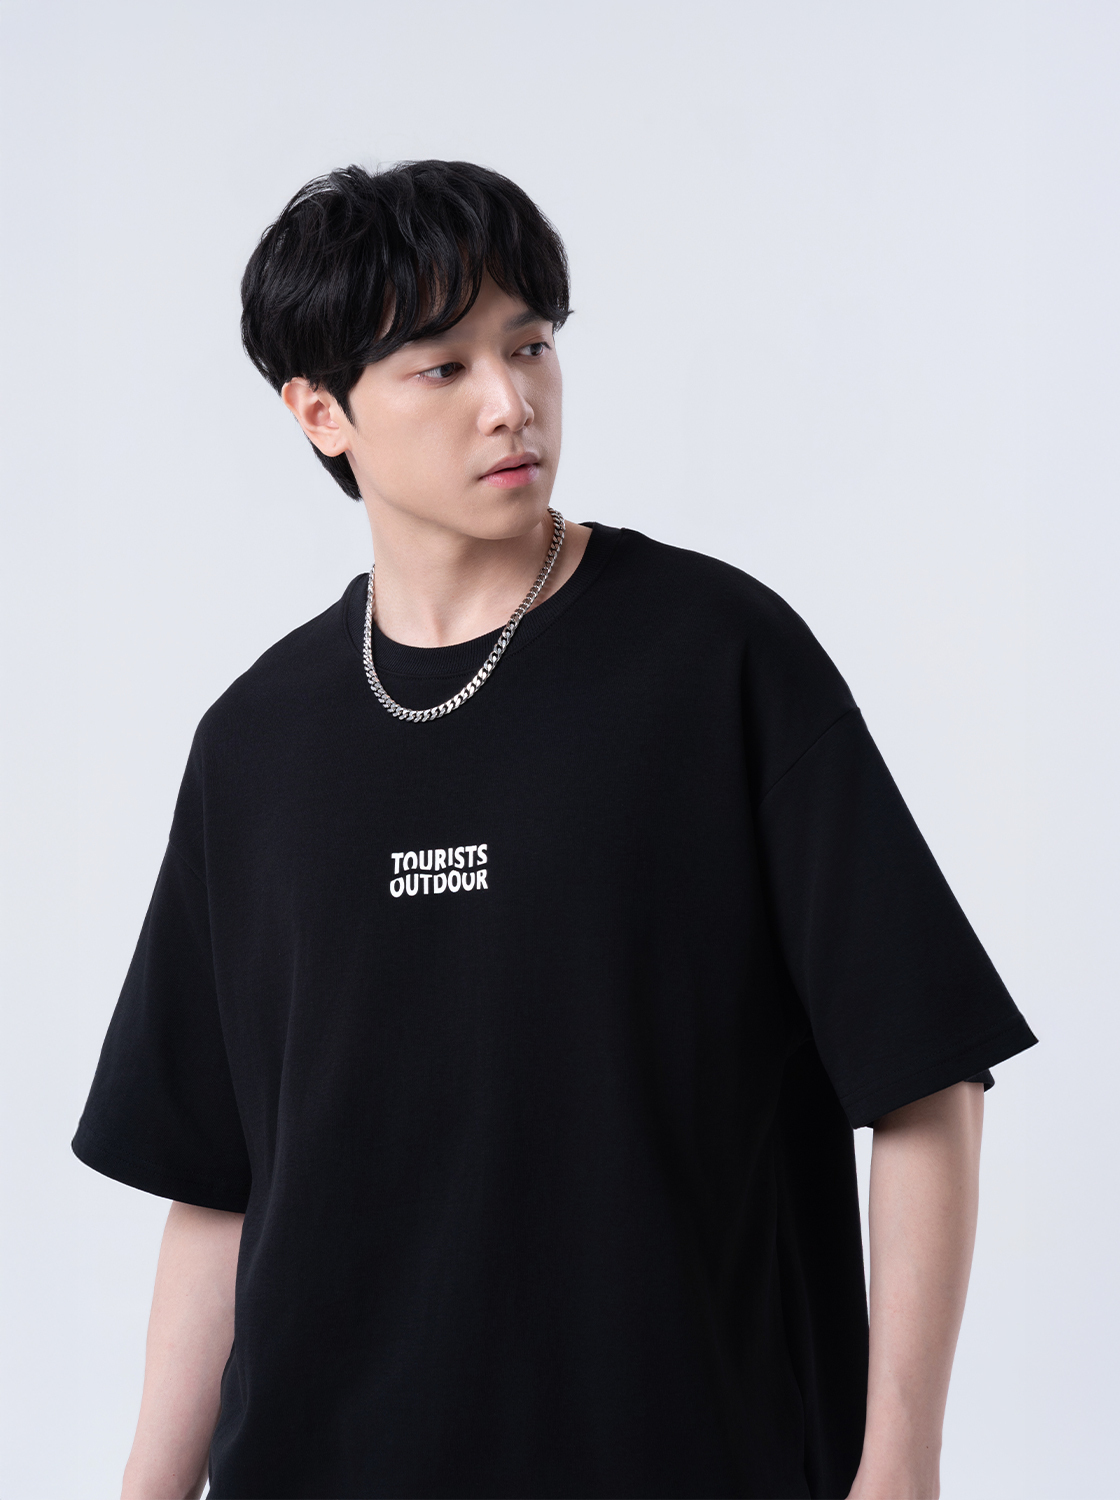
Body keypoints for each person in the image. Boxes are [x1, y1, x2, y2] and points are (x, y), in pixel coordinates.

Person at [73, 160, 1036, 1500]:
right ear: (319, 412)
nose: (510, 402)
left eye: (529, 346)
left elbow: (925, 1079)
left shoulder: (717, 660)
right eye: (443, 366)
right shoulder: (255, 744)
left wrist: (902, 1465)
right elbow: (221, 1186)